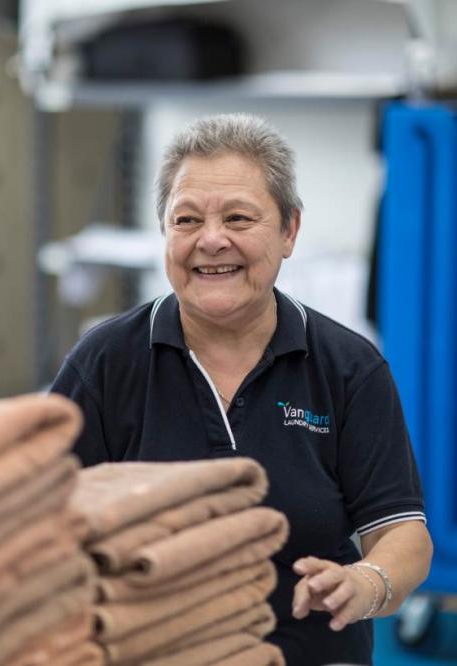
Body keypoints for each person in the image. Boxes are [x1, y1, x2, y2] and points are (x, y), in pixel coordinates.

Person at [51, 113, 433, 665]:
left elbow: (401, 533)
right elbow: (40, 524)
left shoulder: (348, 367)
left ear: (288, 232)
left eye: (238, 217)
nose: (211, 240)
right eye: (186, 220)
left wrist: (366, 582)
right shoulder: (107, 362)